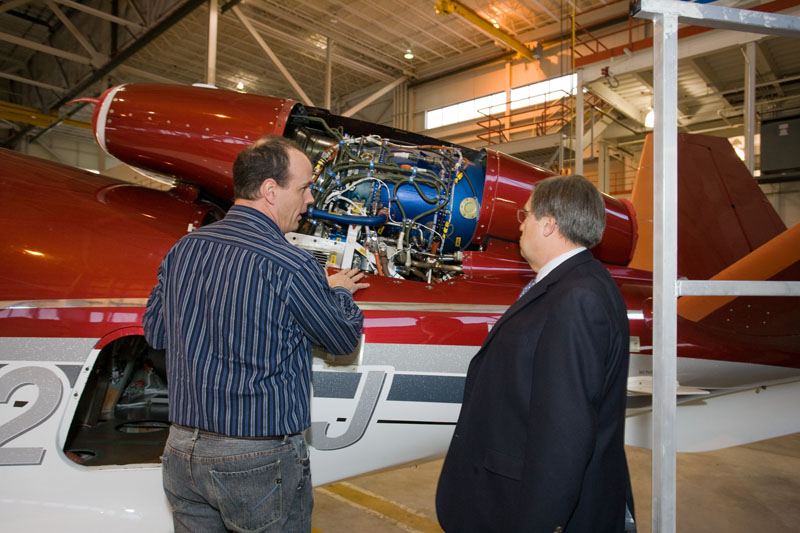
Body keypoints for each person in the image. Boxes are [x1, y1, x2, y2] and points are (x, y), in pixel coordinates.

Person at [143, 135, 369, 533]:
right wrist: (336, 291)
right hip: (256, 459)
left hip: (181, 451)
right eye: (304, 188)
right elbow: (341, 340)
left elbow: (156, 333)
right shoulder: (292, 264)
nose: (310, 200)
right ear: (270, 190)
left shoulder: (183, 249)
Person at [435, 174, 633, 532]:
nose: (520, 225)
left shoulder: (576, 298)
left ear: (549, 224)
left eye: (525, 215)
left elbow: (564, 431)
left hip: (530, 509)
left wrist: (539, 523)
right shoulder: (574, 283)